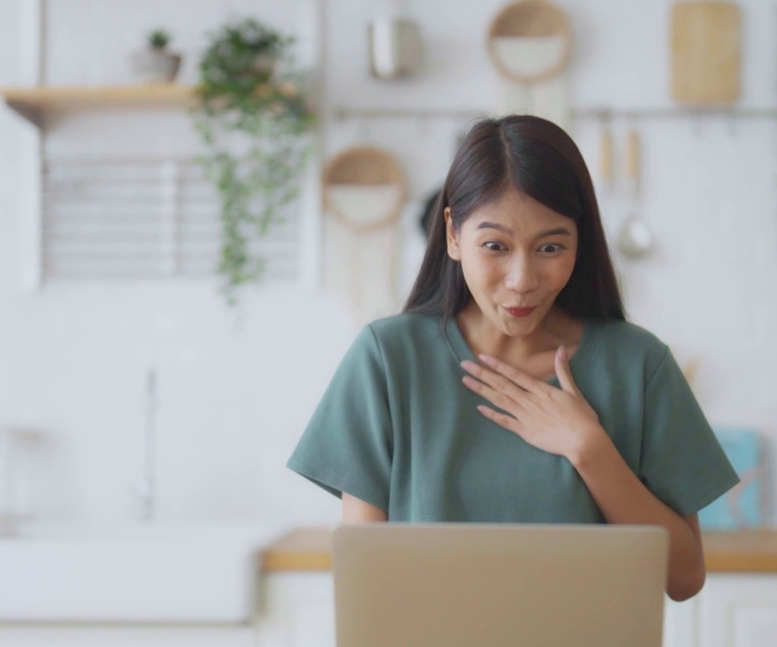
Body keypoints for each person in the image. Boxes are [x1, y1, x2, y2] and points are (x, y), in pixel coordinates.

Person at [288, 115, 739, 602]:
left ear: (579, 242)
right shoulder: (387, 360)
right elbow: (364, 582)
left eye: (550, 246)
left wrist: (592, 451)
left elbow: (684, 578)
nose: (522, 279)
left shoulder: (639, 366)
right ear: (453, 235)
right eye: (495, 246)